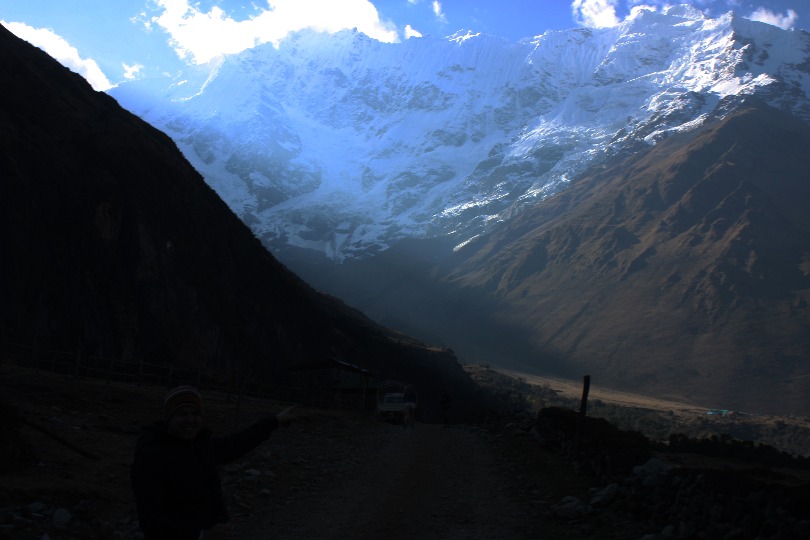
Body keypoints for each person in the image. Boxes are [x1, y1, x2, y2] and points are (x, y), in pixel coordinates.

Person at [131, 385, 297, 540]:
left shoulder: (200, 446)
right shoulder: (151, 456)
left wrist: (275, 421)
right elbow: (151, 521)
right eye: (182, 413)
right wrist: (201, 535)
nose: (190, 420)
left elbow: (238, 442)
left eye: (195, 413)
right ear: (168, 418)